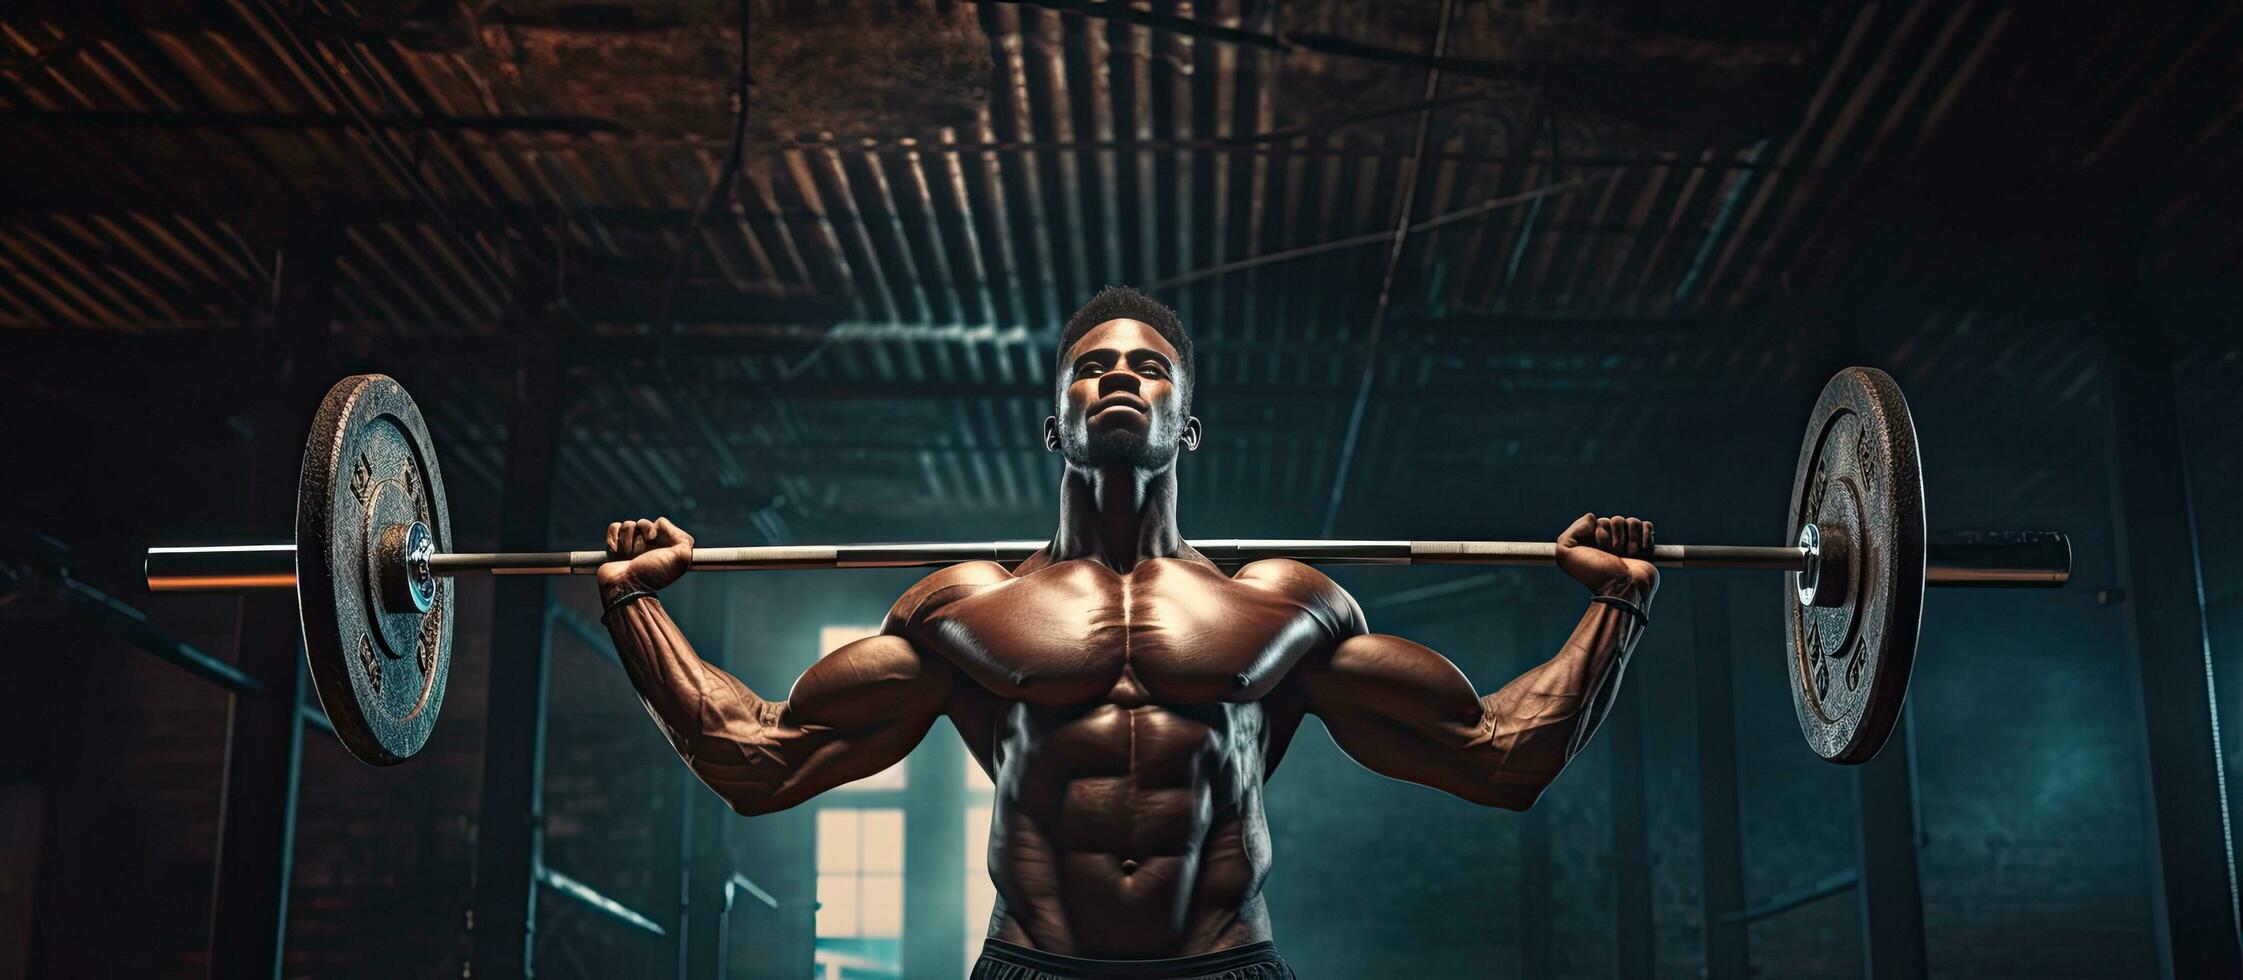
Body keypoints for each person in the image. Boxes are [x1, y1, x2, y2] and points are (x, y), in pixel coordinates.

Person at [596, 287, 1658, 980]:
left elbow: (1499, 756)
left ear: (1185, 423)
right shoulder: (964, 607)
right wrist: (632, 600)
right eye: (1091, 364)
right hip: (1031, 965)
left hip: (1225, 968)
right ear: (1054, 421)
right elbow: (760, 756)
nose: (1116, 373)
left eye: (1148, 365)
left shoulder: (1281, 606)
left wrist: (1617, 601)